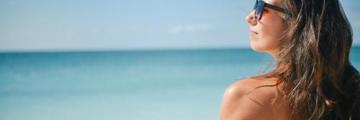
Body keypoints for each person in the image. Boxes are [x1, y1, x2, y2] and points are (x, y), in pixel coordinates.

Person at [220, 0, 360, 120]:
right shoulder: (349, 90)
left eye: (261, 6)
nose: (250, 17)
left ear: (295, 19)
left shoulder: (247, 97)